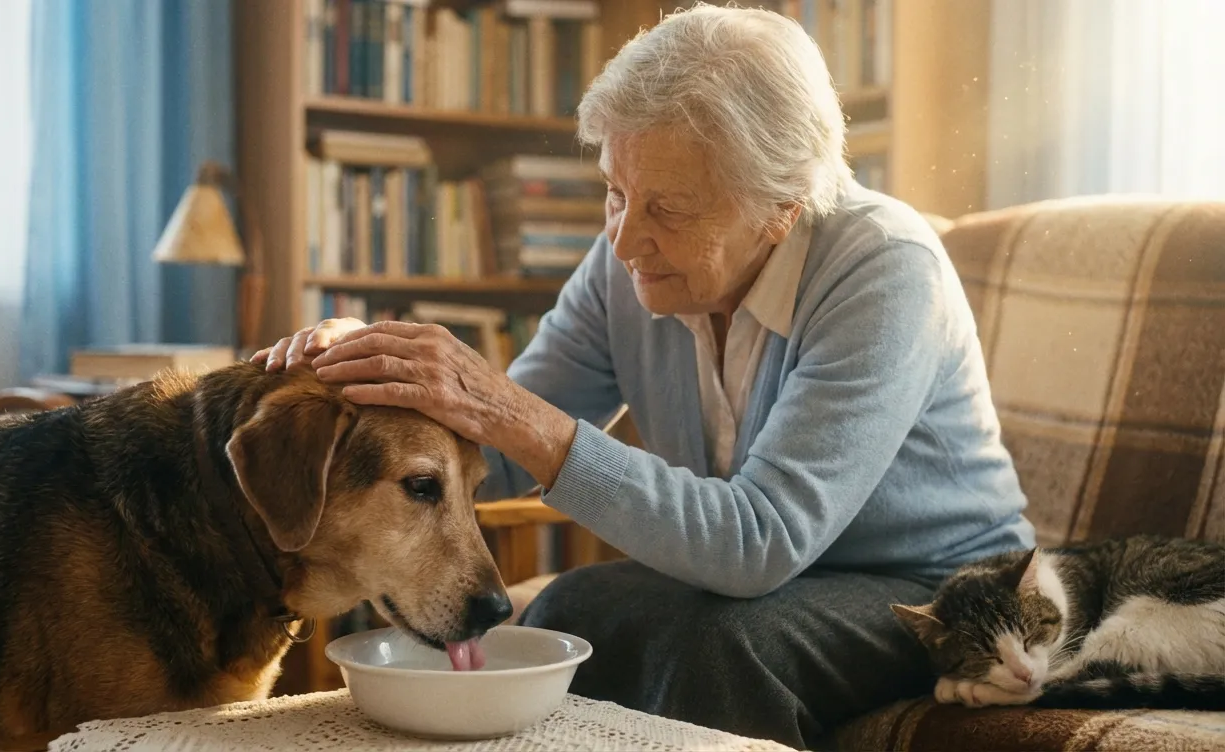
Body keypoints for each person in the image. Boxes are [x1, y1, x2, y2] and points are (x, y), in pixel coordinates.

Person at [255, 4, 1035, 748]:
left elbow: (757, 544)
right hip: (779, 583)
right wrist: (369, 383)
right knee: (572, 607)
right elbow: (481, 459)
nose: (627, 241)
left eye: (669, 208)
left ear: (781, 208)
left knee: (720, 645)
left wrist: (506, 408)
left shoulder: (885, 270)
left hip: (947, 593)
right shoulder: (627, 266)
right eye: (615, 192)